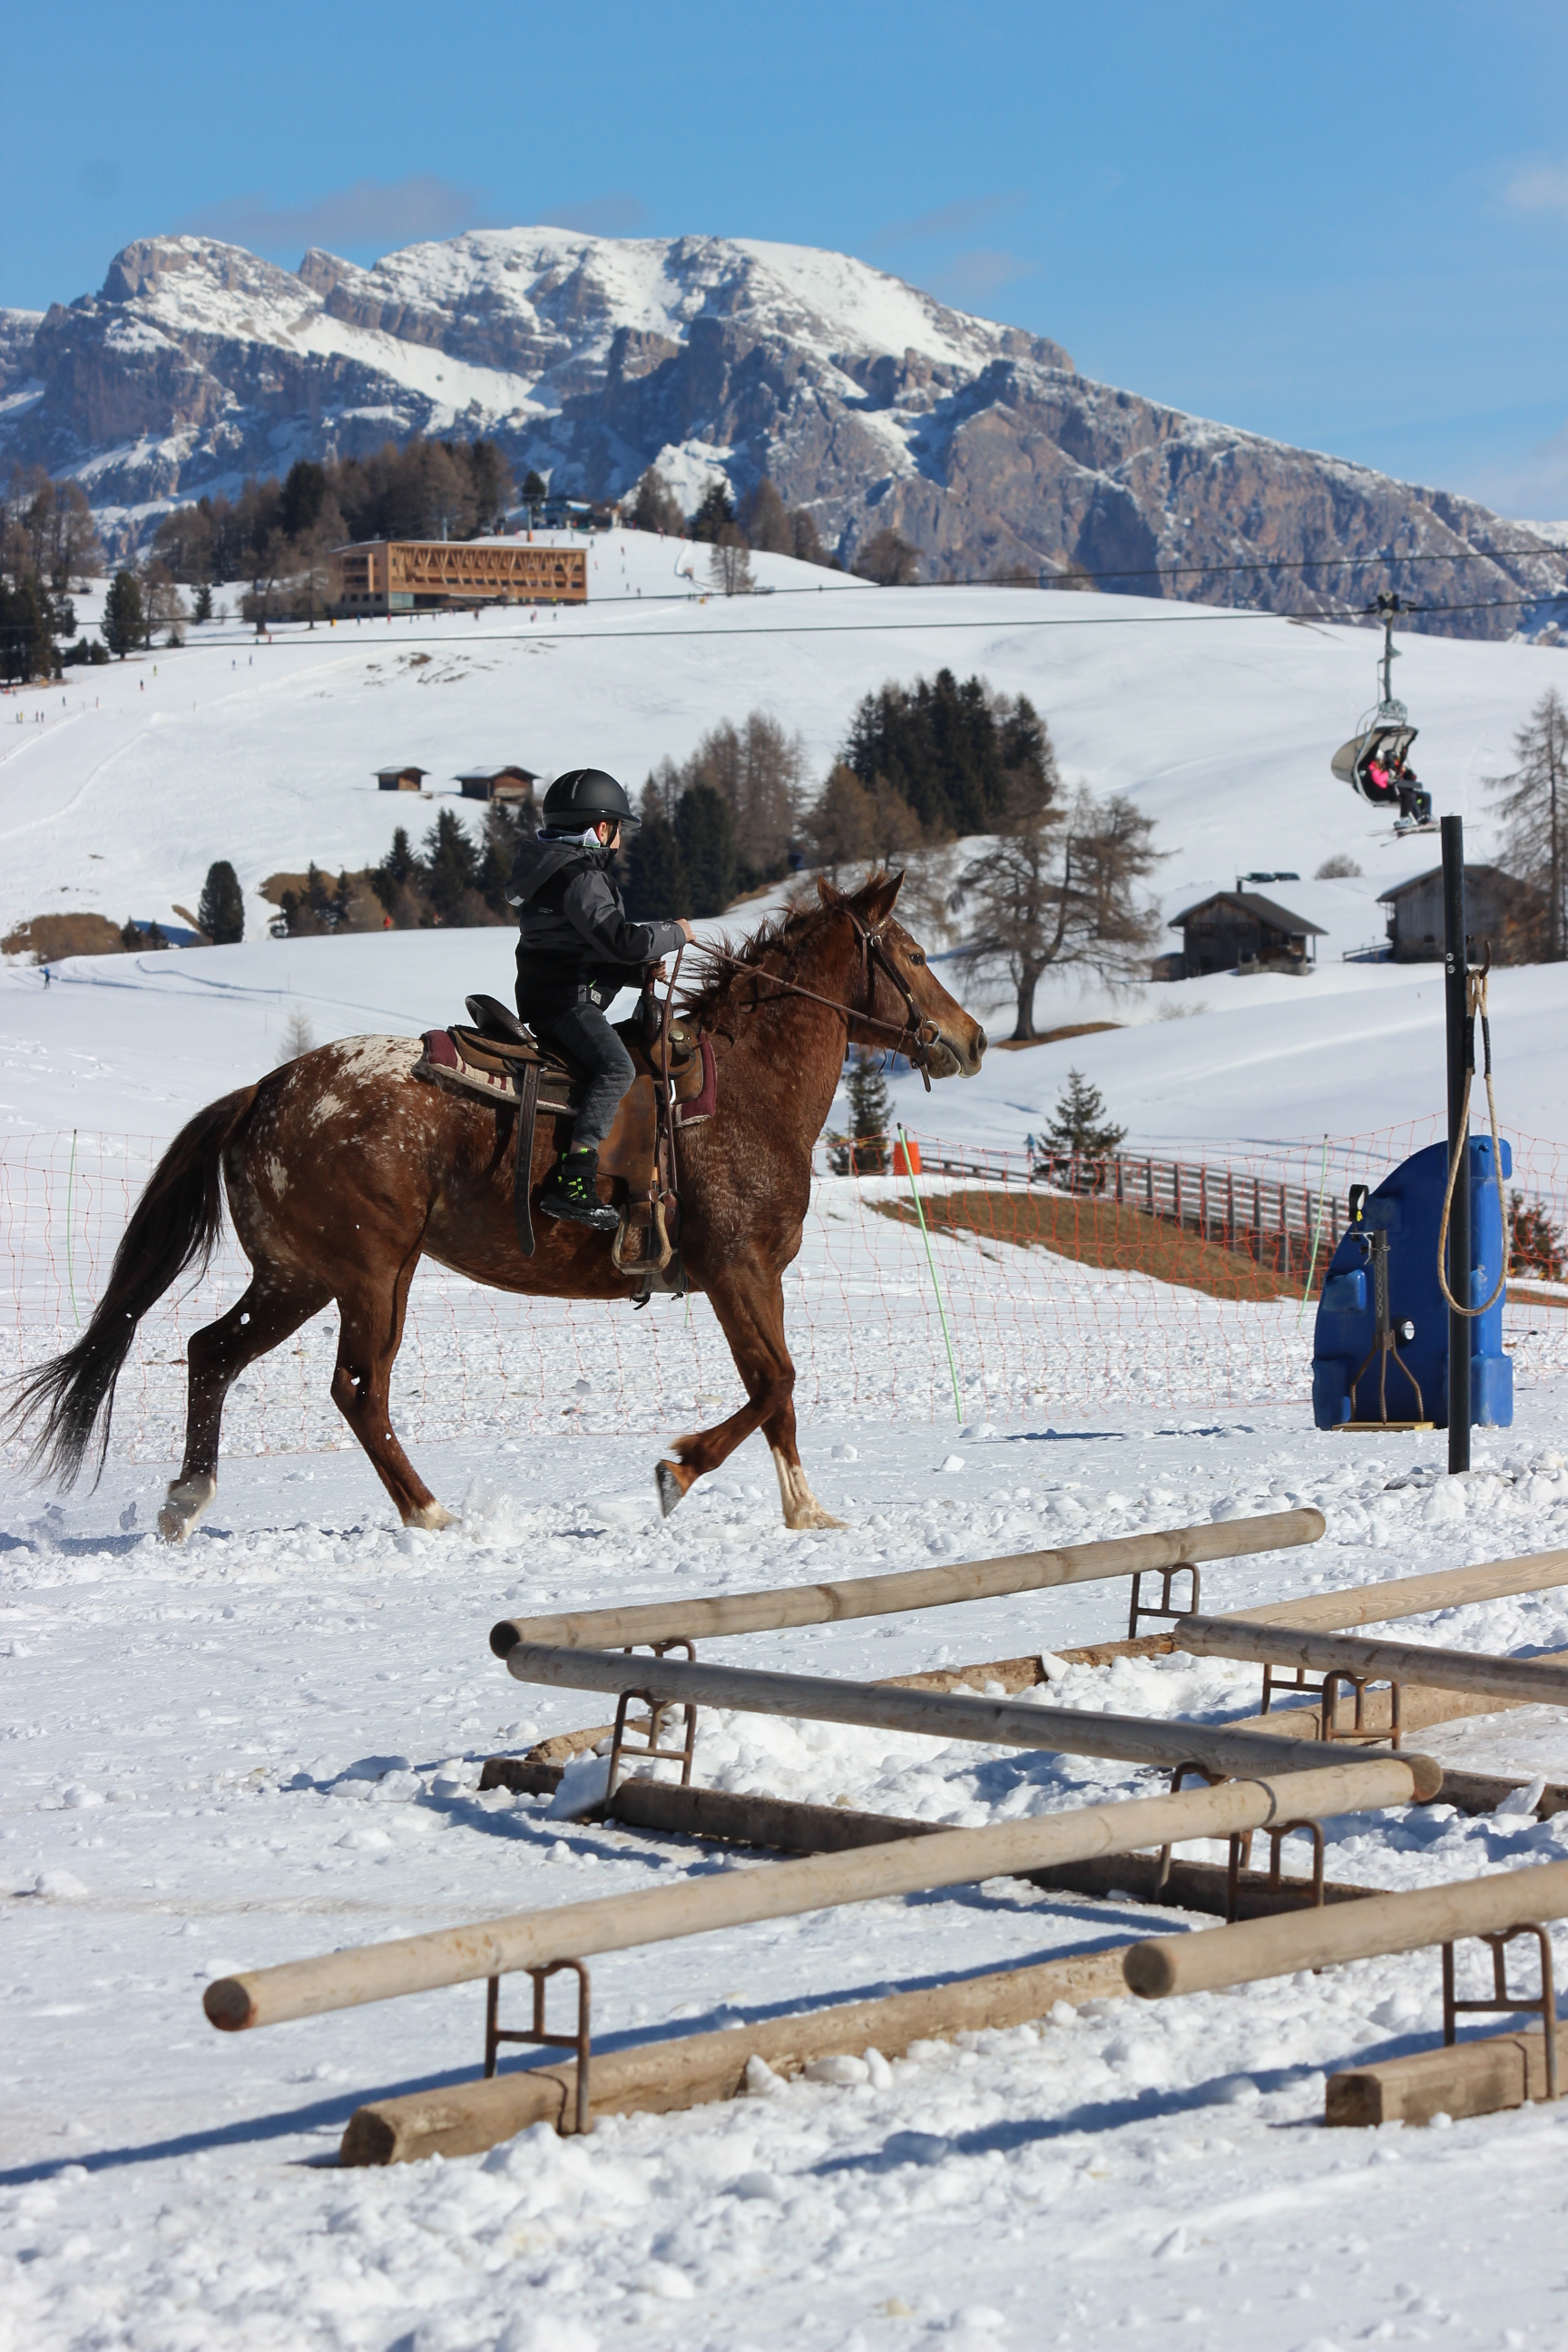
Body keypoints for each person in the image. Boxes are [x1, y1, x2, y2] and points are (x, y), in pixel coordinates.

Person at [510, 769, 694, 1231]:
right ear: (600, 828)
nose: (619, 843)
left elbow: (574, 948)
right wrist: (675, 933)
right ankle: (575, 1178)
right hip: (566, 1003)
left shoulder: (549, 870)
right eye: (617, 831)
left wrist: (635, 974)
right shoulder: (580, 877)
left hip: (548, 995)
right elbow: (622, 940)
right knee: (617, 1068)